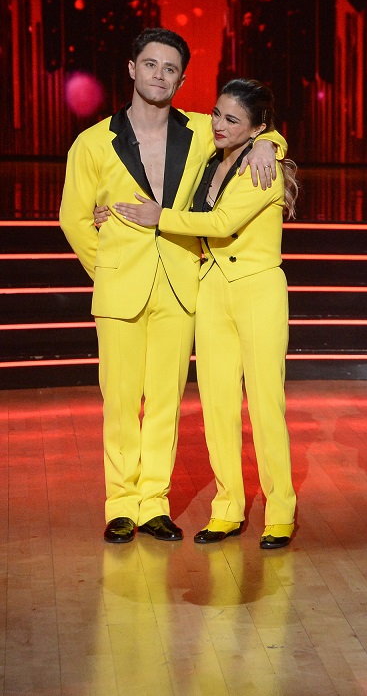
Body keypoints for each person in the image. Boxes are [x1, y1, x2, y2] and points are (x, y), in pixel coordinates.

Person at [59, 28, 284, 544]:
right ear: (132, 69)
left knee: (165, 401)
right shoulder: (93, 141)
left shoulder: (202, 131)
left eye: (171, 69)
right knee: (119, 400)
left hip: (183, 284)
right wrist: (108, 268)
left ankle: (153, 501)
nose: (160, 75)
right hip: (120, 287)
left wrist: (270, 145)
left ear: (182, 78)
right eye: (151, 65)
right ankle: (120, 502)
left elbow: (254, 125)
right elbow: (73, 218)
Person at [109, 79, 299, 550]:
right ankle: (228, 507)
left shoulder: (265, 167)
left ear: (257, 128)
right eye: (216, 113)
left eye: (232, 119)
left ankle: (281, 511)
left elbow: (220, 224)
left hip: (257, 291)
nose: (217, 124)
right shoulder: (210, 157)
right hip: (210, 290)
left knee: (265, 405)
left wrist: (160, 217)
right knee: (216, 407)